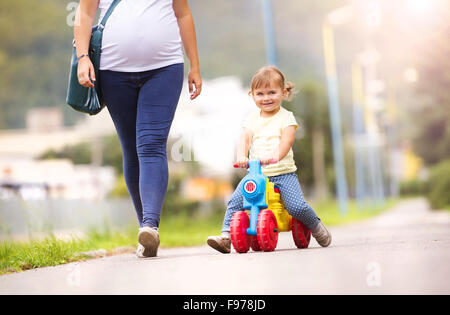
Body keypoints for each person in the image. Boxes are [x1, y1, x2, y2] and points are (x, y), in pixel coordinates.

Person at [75, 0, 202, 258]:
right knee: (131, 148)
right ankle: (145, 232)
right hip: (112, 72)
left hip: (164, 68)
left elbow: (183, 14)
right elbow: (85, 12)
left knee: (151, 144)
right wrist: (83, 57)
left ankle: (150, 226)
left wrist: (195, 65)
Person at [207, 66, 331, 253]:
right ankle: (226, 237)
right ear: (252, 95)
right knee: (235, 201)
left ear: (283, 92)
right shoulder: (251, 119)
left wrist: (275, 156)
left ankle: (315, 226)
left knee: (296, 208)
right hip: (257, 175)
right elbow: (245, 139)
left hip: (283, 174)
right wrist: (241, 156)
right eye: (260, 94)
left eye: (272, 92)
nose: (266, 98)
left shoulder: (286, 118)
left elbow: (286, 141)